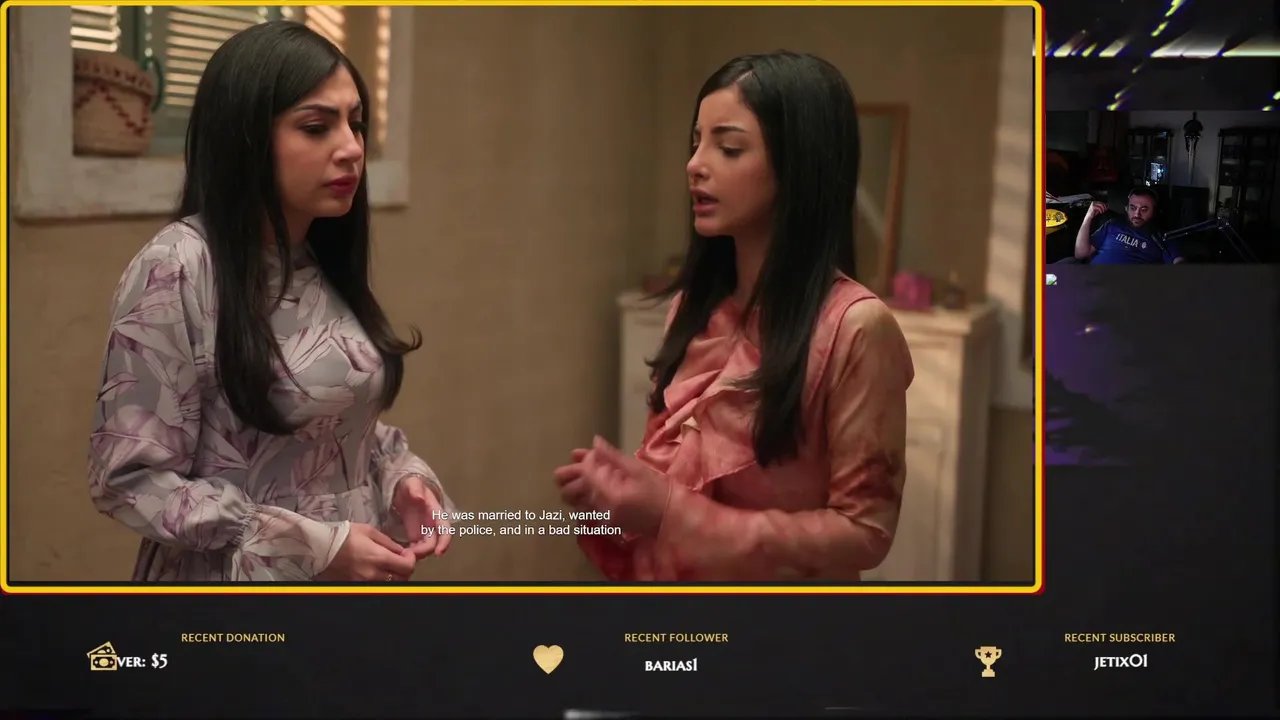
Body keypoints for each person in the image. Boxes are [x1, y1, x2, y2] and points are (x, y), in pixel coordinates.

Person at [87, 22, 454, 582]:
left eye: (355, 123)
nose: (352, 149)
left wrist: (401, 477)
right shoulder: (178, 267)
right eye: (316, 127)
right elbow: (128, 478)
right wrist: (307, 544)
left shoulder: (319, 255)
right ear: (247, 139)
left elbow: (328, 425)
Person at [552, 52, 914, 582]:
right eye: (695, 143)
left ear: (798, 165)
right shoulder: (693, 307)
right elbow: (671, 485)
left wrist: (674, 512)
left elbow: (865, 532)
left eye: (728, 148)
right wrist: (619, 498)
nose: (695, 165)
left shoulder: (856, 327)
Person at [1066, 187, 1184, 264]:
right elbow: (1080, 254)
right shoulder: (1112, 225)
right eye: (1133, 208)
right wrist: (1088, 217)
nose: (1137, 214)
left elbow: (1179, 263)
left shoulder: (1162, 237)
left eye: (1144, 209)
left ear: (1154, 212)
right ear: (1126, 209)